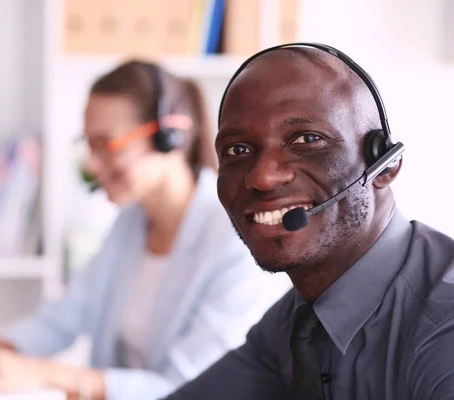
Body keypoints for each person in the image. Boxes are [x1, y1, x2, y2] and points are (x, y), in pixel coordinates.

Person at [0, 60, 292, 400]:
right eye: (88, 146)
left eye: (106, 145)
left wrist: (49, 375)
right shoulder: (132, 222)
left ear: (168, 136)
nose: (91, 165)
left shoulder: (237, 241)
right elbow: (65, 316)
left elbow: (188, 387)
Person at [162, 43, 454, 400]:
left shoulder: (443, 329)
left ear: (384, 164)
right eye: (238, 150)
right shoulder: (297, 319)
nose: (263, 177)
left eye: (306, 139)